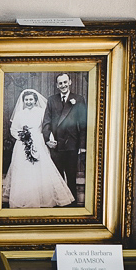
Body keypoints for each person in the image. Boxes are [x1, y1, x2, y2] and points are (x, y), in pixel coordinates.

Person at [1, 89, 75, 208]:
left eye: (31, 99)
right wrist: (23, 137)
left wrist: (49, 138)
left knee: (41, 168)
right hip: (23, 144)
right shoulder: (20, 114)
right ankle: (23, 199)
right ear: (23, 101)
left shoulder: (41, 112)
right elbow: (13, 130)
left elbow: (47, 126)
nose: (29, 102)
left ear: (35, 100)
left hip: (39, 142)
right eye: (27, 100)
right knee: (23, 169)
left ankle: (44, 199)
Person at [42, 73, 87, 203]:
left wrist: (82, 146)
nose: (63, 85)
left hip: (72, 144)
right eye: (60, 83)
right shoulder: (52, 100)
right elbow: (46, 122)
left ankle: (72, 205)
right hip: (56, 144)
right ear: (57, 85)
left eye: (65, 82)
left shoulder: (78, 99)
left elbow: (83, 124)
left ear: (70, 82)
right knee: (58, 176)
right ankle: (60, 202)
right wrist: (48, 138)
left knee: (71, 176)